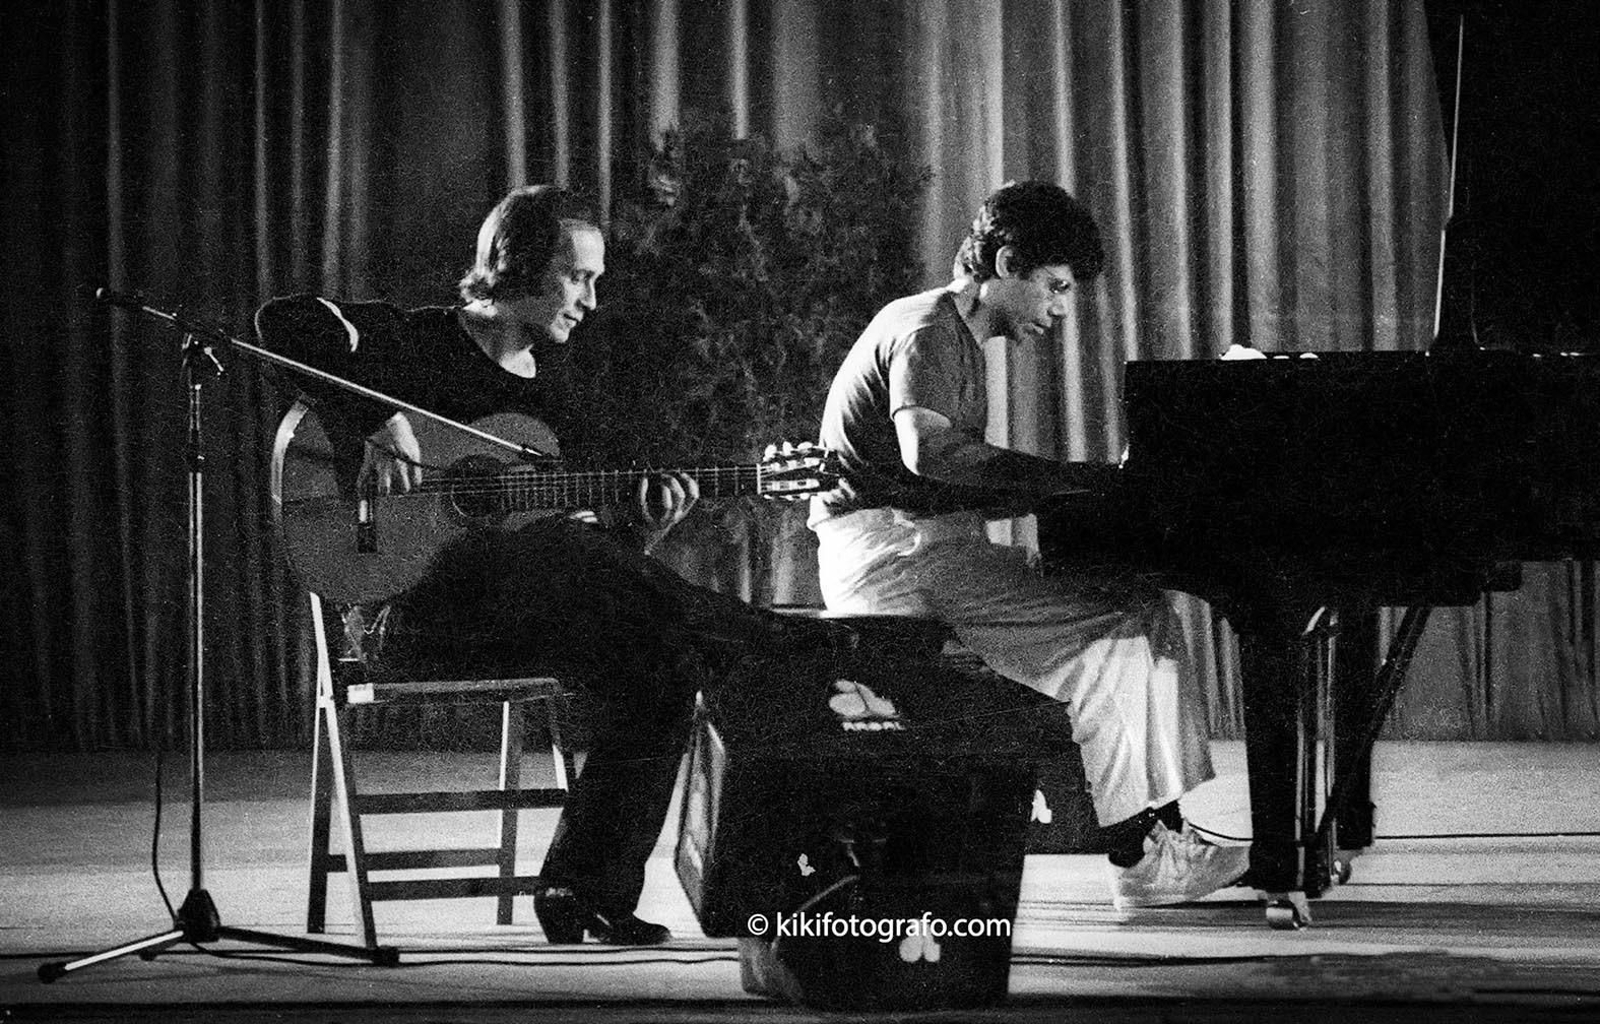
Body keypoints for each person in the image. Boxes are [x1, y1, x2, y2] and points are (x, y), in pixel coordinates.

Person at [257, 184, 834, 945]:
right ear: (518, 264)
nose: (591, 300)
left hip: (517, 616)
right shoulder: (413, 343)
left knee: (660, 662)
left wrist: (647, 528)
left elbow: (591, 570)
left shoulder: (565, 398)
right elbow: (282, 321)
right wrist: (378, 418)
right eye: (577, 276)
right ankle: (781, 642)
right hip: (408, 619)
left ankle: (580, 891)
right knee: (563, 557)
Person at [809, 180, 1250, 909]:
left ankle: (1162, 837)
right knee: (1115, 622)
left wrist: (1080, 489)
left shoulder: (948, 331)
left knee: (1139, 609)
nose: (1061, 308)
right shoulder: (928, 328)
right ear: (1006, 263)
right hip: (894, 559)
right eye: (1054, 286)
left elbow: (952, 476)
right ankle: (1139, 857)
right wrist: (1075, 482)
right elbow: (930, 453)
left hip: (921, 550)